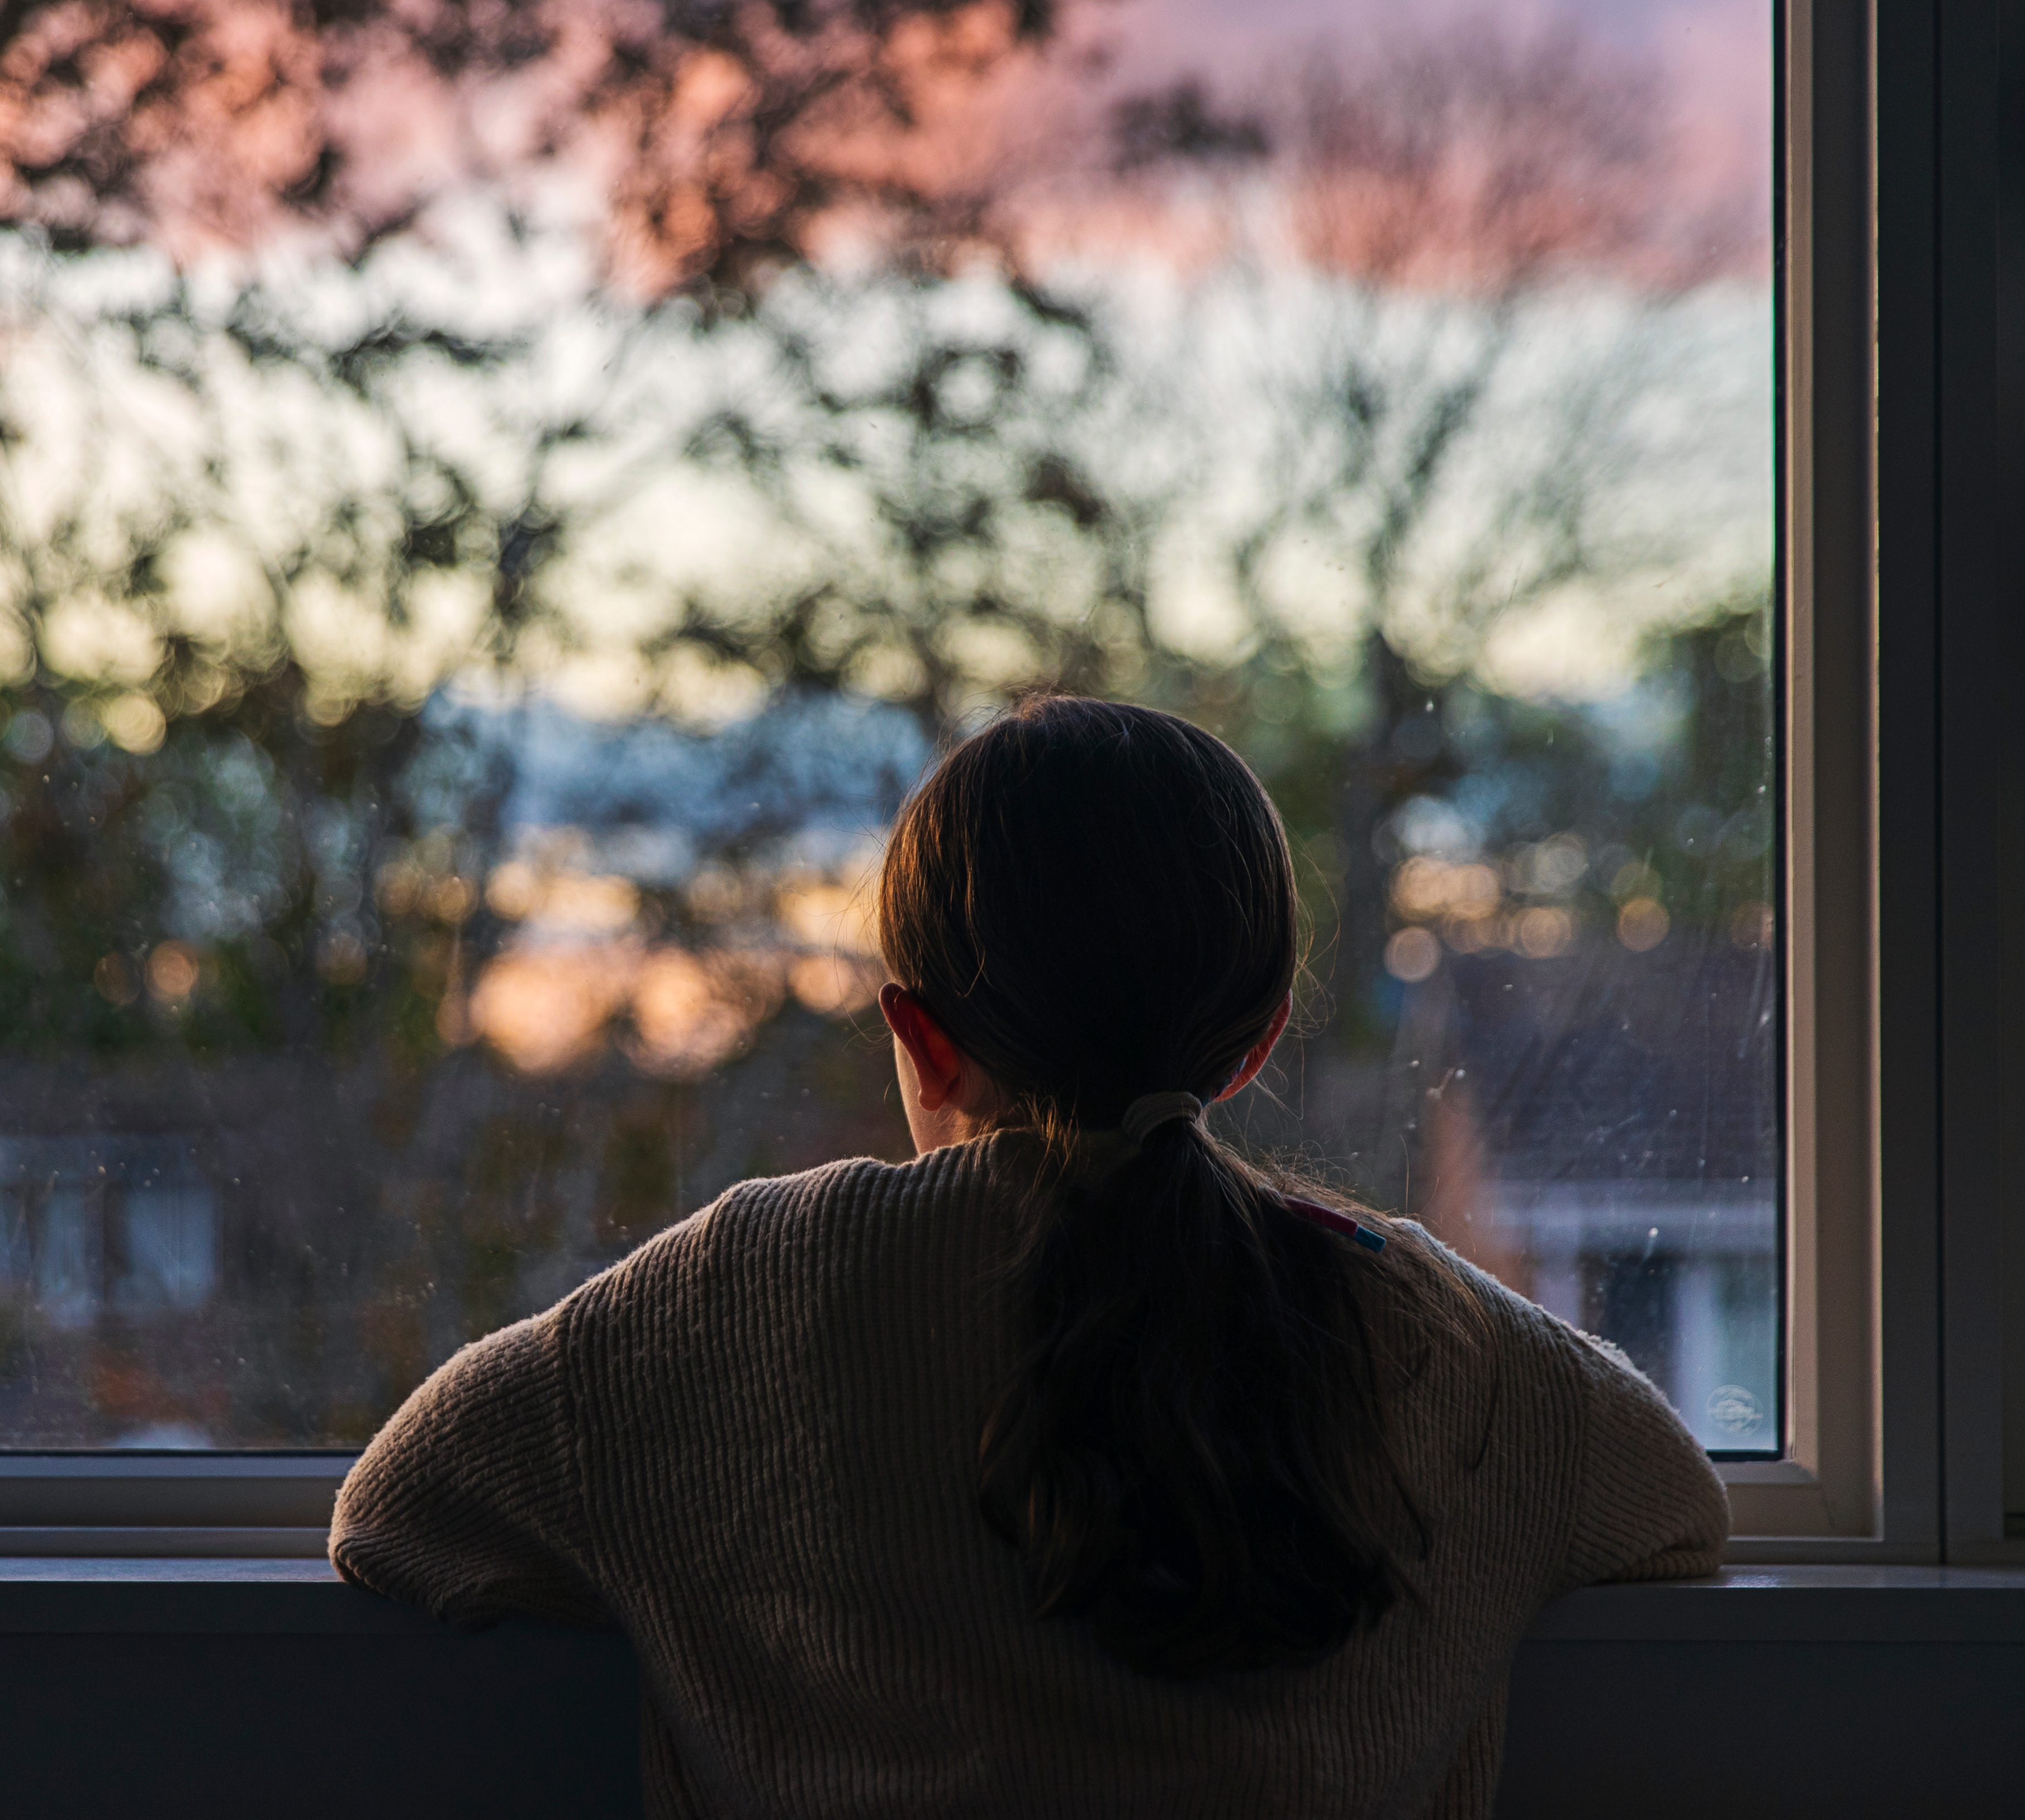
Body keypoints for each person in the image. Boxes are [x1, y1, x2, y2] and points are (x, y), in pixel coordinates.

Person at [331, 693, 1727, 1818]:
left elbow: (397, 1510)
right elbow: (1674, 1511)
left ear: (919, 1036)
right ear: (1253, 1047)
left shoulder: (755, 1291)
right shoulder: (1426, 1331)